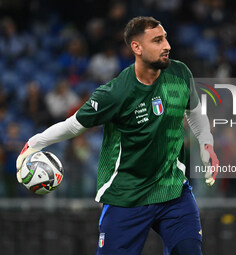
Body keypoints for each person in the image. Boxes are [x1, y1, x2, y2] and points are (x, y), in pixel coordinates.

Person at [16, 16, 219, 255]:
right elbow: (73, 126)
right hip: (126, 195)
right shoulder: (115, 93)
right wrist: (33, 143)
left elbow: (194, 111)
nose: (167, 45)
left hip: (172, 190)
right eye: (157, 40)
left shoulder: (180, 73)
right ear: (137, 47)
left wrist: (207, 144)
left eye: (165, 38)